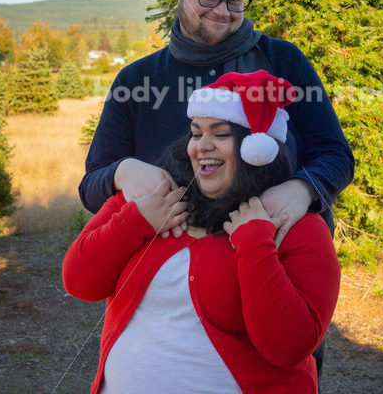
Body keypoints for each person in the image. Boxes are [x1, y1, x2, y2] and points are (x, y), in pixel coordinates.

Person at [64, 71, 341, 394]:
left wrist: (255, 244)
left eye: (221, 134)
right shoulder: (150, 198)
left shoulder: (293, 227)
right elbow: (78, 282)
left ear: (256, 149)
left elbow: (288, 348)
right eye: (196, 133)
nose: (202, 146)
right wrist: (135, 221)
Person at [79, 0, 354, 242]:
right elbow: (91, 186)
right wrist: (122, 172)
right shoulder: (135, 81)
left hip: (278, 264)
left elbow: (336, 154)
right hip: (167, 275)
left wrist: (304, 188)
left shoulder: (284, 61)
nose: (223, 11)